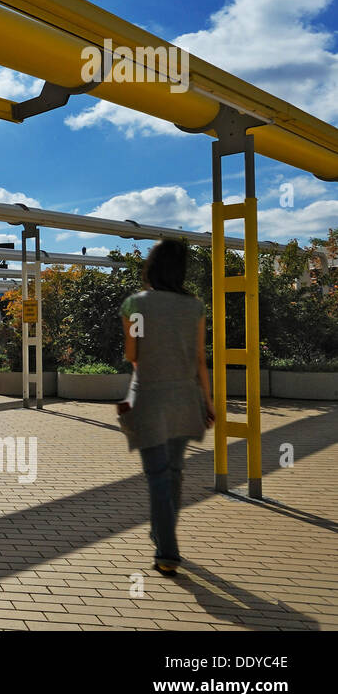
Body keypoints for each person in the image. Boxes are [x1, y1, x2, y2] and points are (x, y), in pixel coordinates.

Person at [117, 240, 215, 577]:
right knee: (173, 472)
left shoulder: (135, 304)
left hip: (149, 398)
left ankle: (167, 549)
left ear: (152, 266)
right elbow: (201, 358)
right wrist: (209, 400)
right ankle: (162, 533)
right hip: (185, 398)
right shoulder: (195, 307)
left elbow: (133, 355)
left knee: (158, 475)